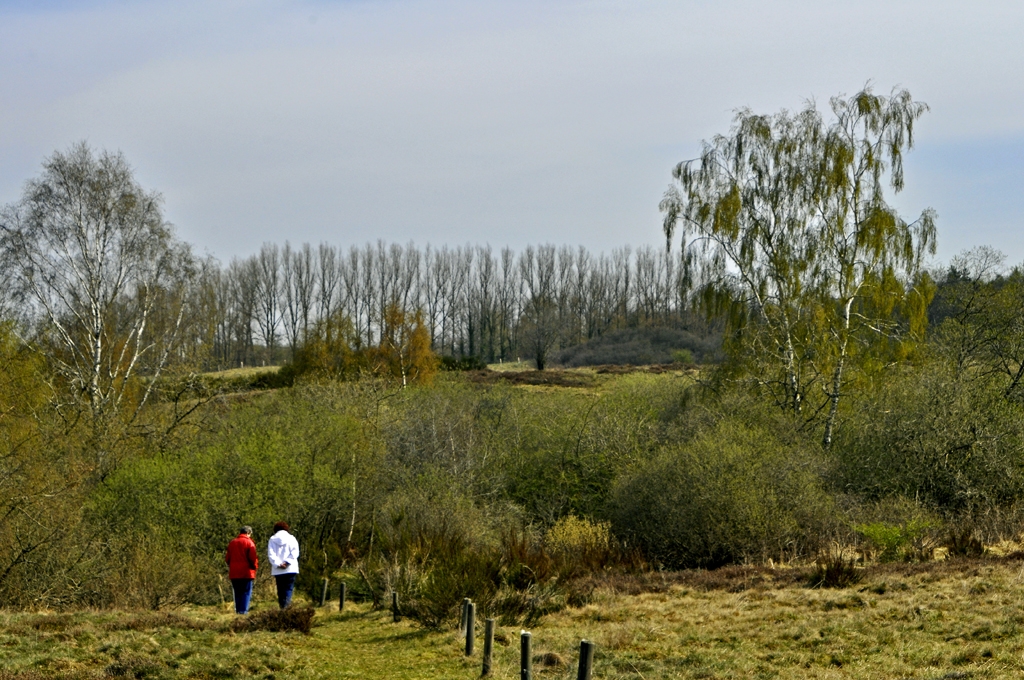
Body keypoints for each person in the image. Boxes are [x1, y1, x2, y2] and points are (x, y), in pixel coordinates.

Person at [225, 526, 258, 615]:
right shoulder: (249, 542)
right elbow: (253, 558)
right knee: (246, 592)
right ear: (248, 533)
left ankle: (238, 611)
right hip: (246, 573)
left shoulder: (232, 543)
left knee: (237, 593)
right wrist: (254, 567)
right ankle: (243, 612)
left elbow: (227, 558)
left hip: (234, 572)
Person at [267, 520, 300, 608]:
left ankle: (283, 607)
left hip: (278, 570)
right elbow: (295, 552)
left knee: (280, 590)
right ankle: (287, 607)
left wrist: (278, 564)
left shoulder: (272, 539)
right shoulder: (292, 538)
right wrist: (287, 562)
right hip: (290, 569)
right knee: (288, 589)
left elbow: (271, 554)